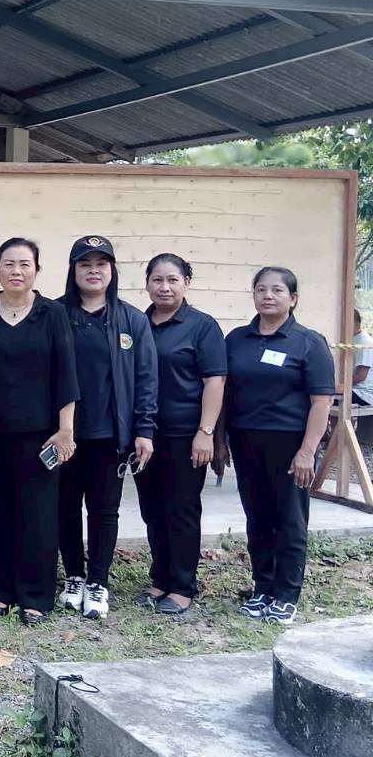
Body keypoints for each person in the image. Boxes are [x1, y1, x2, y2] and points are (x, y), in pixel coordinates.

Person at [0, 238, 76, 626]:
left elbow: (66, 373)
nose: (16, 271)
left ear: (37, 270)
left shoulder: (53, 314)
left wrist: (66, 429)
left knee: (38, 517)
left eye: (25, 264)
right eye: (8, 264)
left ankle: (36, 596)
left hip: (40, 436)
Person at [219, 267, 334, 625]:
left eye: (277, 290)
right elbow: (224, 393)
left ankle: (286, 594)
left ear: (293, 299)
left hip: (290, 445)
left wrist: (307, 451)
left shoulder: (309, 342)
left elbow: (321, 403)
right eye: (261, 289)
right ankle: (263, 588)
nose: (268, 296)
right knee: (258, 517)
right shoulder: (236, 340)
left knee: (289, 520)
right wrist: (220, 440)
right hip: (245, 441)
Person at [57, 235, 157, 620]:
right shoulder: (56, 314)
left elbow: (146, 379)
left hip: (109, 436)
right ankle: (74, 576)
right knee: (65, 508)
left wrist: (144, 429)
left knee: (104, 511)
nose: (93, 271)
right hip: (64, 434)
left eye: (101, 264)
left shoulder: (132, 320)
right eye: (85, 264)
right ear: (73, 271)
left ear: (112, 271)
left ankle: (98, 581)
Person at [133, 254, 225, 616]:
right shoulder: (137, 323)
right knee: (152, 508)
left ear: (187, 282)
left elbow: (214, 381)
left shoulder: (202, 326)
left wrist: (206, 432)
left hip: (185, 434)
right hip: (145, 434)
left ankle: (183, 586)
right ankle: (160, 579)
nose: (164, 287)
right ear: (147, 283)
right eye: (157, 280)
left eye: (173, 280)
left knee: (181, 509)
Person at [352, 309, 373, 406]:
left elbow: (361, 376)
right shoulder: (353, 339)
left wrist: (341, 386)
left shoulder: (364, 341)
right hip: (355, 390)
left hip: (364, 393)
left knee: (324, 397)